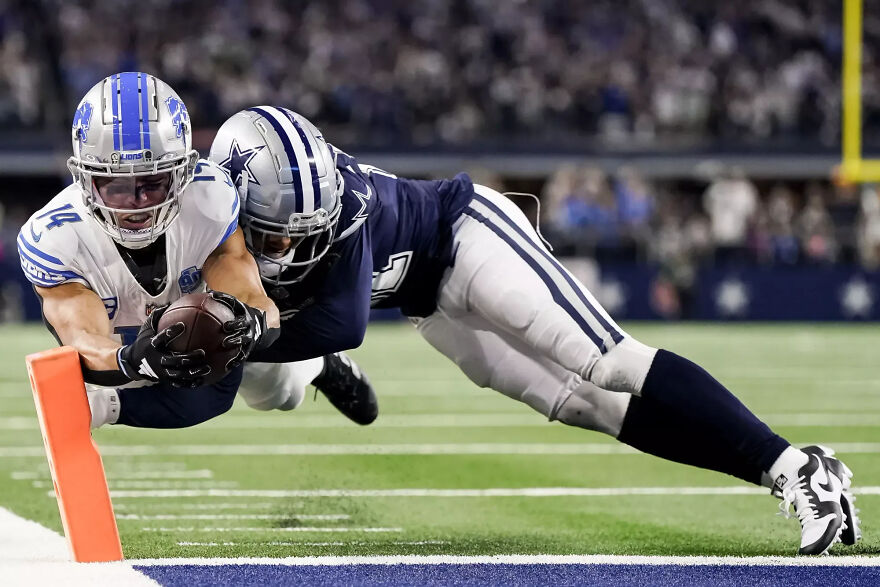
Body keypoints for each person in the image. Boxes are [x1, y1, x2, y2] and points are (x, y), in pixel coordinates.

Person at [208, 106, 860, 555]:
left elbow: (343, 321)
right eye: (274, 233)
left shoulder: (339, 197)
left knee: (607, 360)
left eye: (298, 230)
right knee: (590, 405)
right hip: (429, 304)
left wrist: (218, 341)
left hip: (466, 238)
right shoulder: (218, 221)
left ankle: (796, 466)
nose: (290, 244)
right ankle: (781, 471)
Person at [17, 73, 375, 431]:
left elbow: (249, 293)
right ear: (85, 179)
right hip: (119, 349)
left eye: (153, 183)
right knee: (108, 388)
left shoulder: (208, 201)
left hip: (201, 328)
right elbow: (82, 341)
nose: (136, 204)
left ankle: (318, 365)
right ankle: (111, 404)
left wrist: (251, 323)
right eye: (114, 184)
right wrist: (133, 360)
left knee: (274, 390)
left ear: (183, 174)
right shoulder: (55, 237)